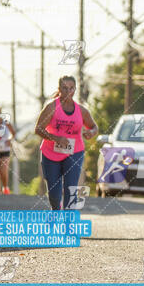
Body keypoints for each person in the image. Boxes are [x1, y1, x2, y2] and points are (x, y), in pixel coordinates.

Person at [34, 76, 98, 210]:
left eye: (71, 88)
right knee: (54, 194)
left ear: (75, 89)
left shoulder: (81, 110)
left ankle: (68, 224)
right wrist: (55, 138)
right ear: (59, 89)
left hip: (74, 152)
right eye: (65, 88)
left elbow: (94, 127)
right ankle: (56, 211)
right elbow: (38, 129)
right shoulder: (51, 107)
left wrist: (91, 132)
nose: (68, 91)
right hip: (51, 153)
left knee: (71, 189)